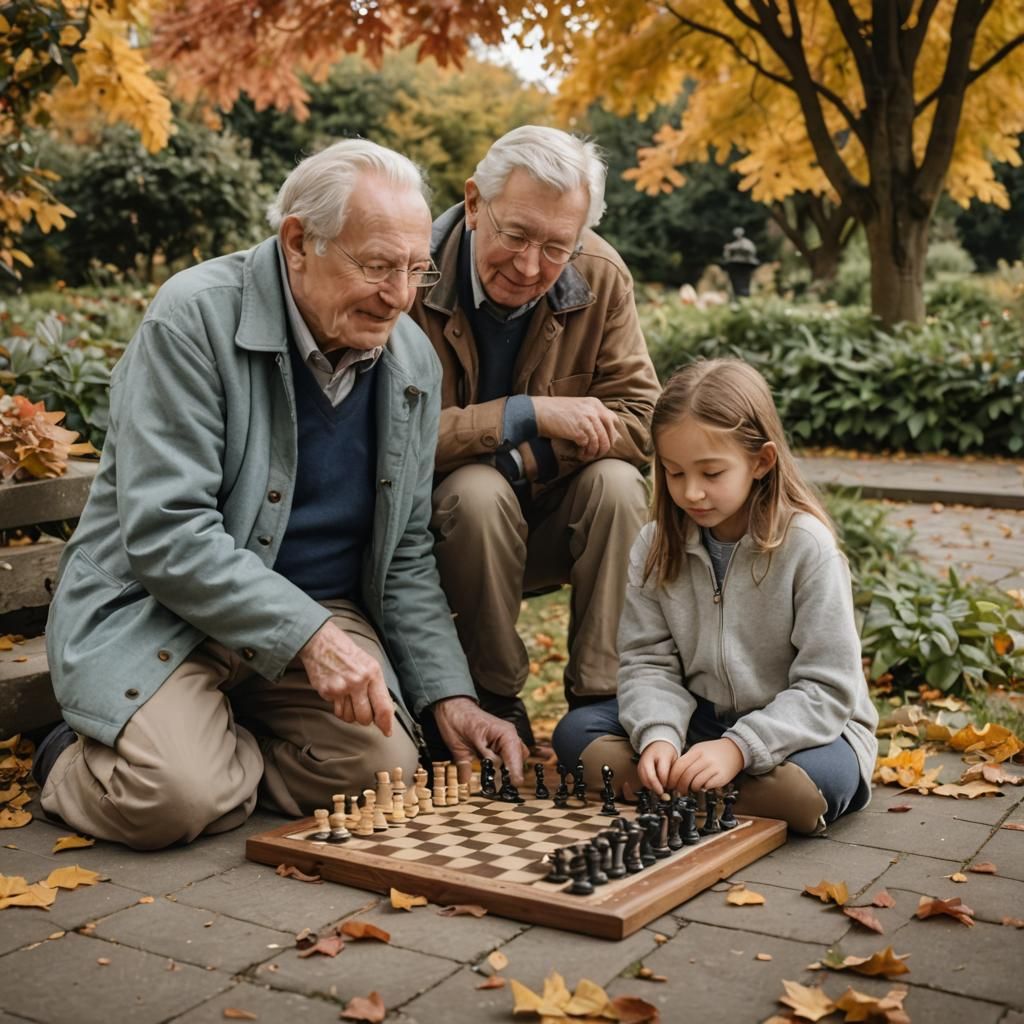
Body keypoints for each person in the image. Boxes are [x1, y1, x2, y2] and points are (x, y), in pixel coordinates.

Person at [32, 140, 525, 851]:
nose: (400, 296)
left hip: (316, 619)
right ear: (298, 241)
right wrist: (309, 637)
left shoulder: (411, 358)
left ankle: (213, 744)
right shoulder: (194, 316)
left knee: (385, 771)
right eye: (378, 266)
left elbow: (407, 554)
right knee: (168, 801)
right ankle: (79, 755)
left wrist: (450, 695)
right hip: (165, 615)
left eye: (417, 270)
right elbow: (168, 533)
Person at [410, 125, 661, 750]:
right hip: (440, 532)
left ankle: (602, 701)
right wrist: (525, 413)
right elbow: (389, 439)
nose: (529, 266)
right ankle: (491, 696)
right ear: (473, 203)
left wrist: (524, 457)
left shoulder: (600, 275)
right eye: (516, 235)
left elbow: (641, 418)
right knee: (476, 490)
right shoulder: (410, 274)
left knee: (617, 483)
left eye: (557, 247)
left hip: (552, 515)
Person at [552, 358, 878, 832]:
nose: (691, 492)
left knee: (809, 789)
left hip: (804, 732)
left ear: (761, 461)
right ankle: (698, 784)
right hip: (700, 719)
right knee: (574, 732)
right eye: (674, 473)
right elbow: (648, 663)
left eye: (711, 473)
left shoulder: (806, 547)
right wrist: (659, 737)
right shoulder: (654, 544)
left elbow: (828, 689)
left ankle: (687, 786)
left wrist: (737, 748)